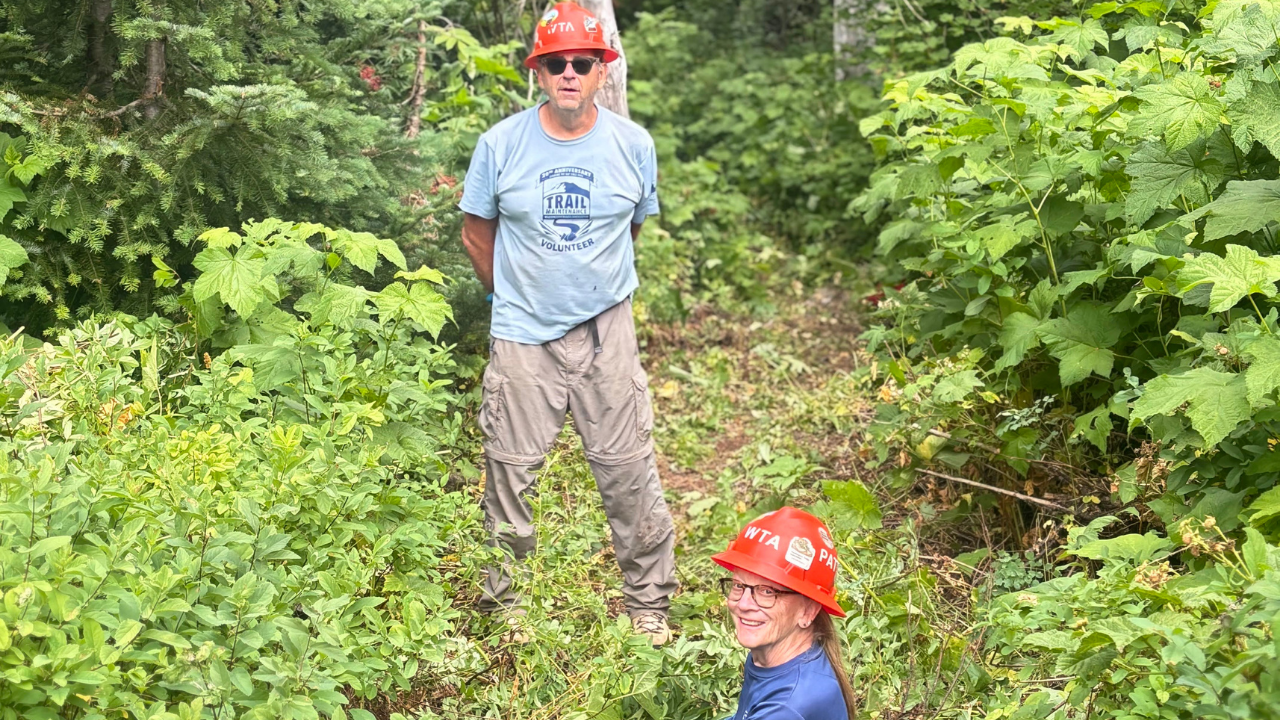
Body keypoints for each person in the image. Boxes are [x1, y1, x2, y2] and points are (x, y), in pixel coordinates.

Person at [457, 1, 677, 646]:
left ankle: (649, 603)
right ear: (540, 73)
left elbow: (630, 229)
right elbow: (476, 234)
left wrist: (596, 290)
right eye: (556, 63)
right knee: (509, 468)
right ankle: (506, 605)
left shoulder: (634, 145)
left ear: (603, 70)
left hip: (608, 327)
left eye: (583, 62)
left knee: (628, 466)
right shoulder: (500, 145)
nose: (570, 73)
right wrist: (515, 299)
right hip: (524, 334)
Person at [712, 507, 857, 720]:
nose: (744, 604)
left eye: (767, 591)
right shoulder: (777, 658)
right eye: (738, 585)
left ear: (808, 611)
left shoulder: (788, 707)